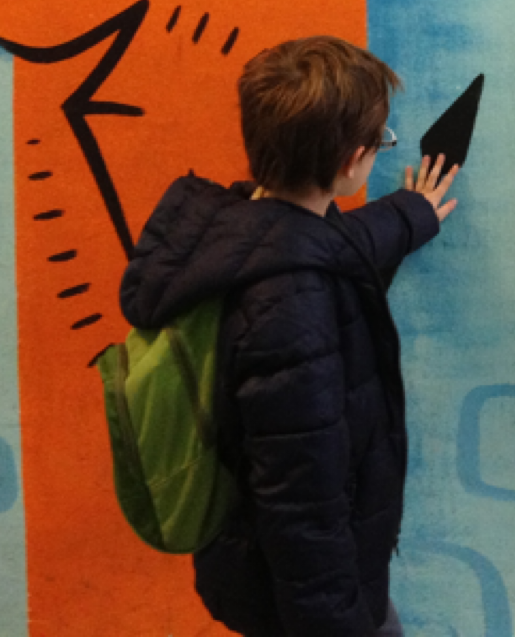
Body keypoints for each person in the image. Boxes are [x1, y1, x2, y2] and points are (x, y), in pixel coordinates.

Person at [120, 35, 458, 637]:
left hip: (261, 567)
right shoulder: (291, 308)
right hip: (307, 600)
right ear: (353, 161)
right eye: (380, 142)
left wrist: (411, 214)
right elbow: (302, 500)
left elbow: (333, 244)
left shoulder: (241, 229)